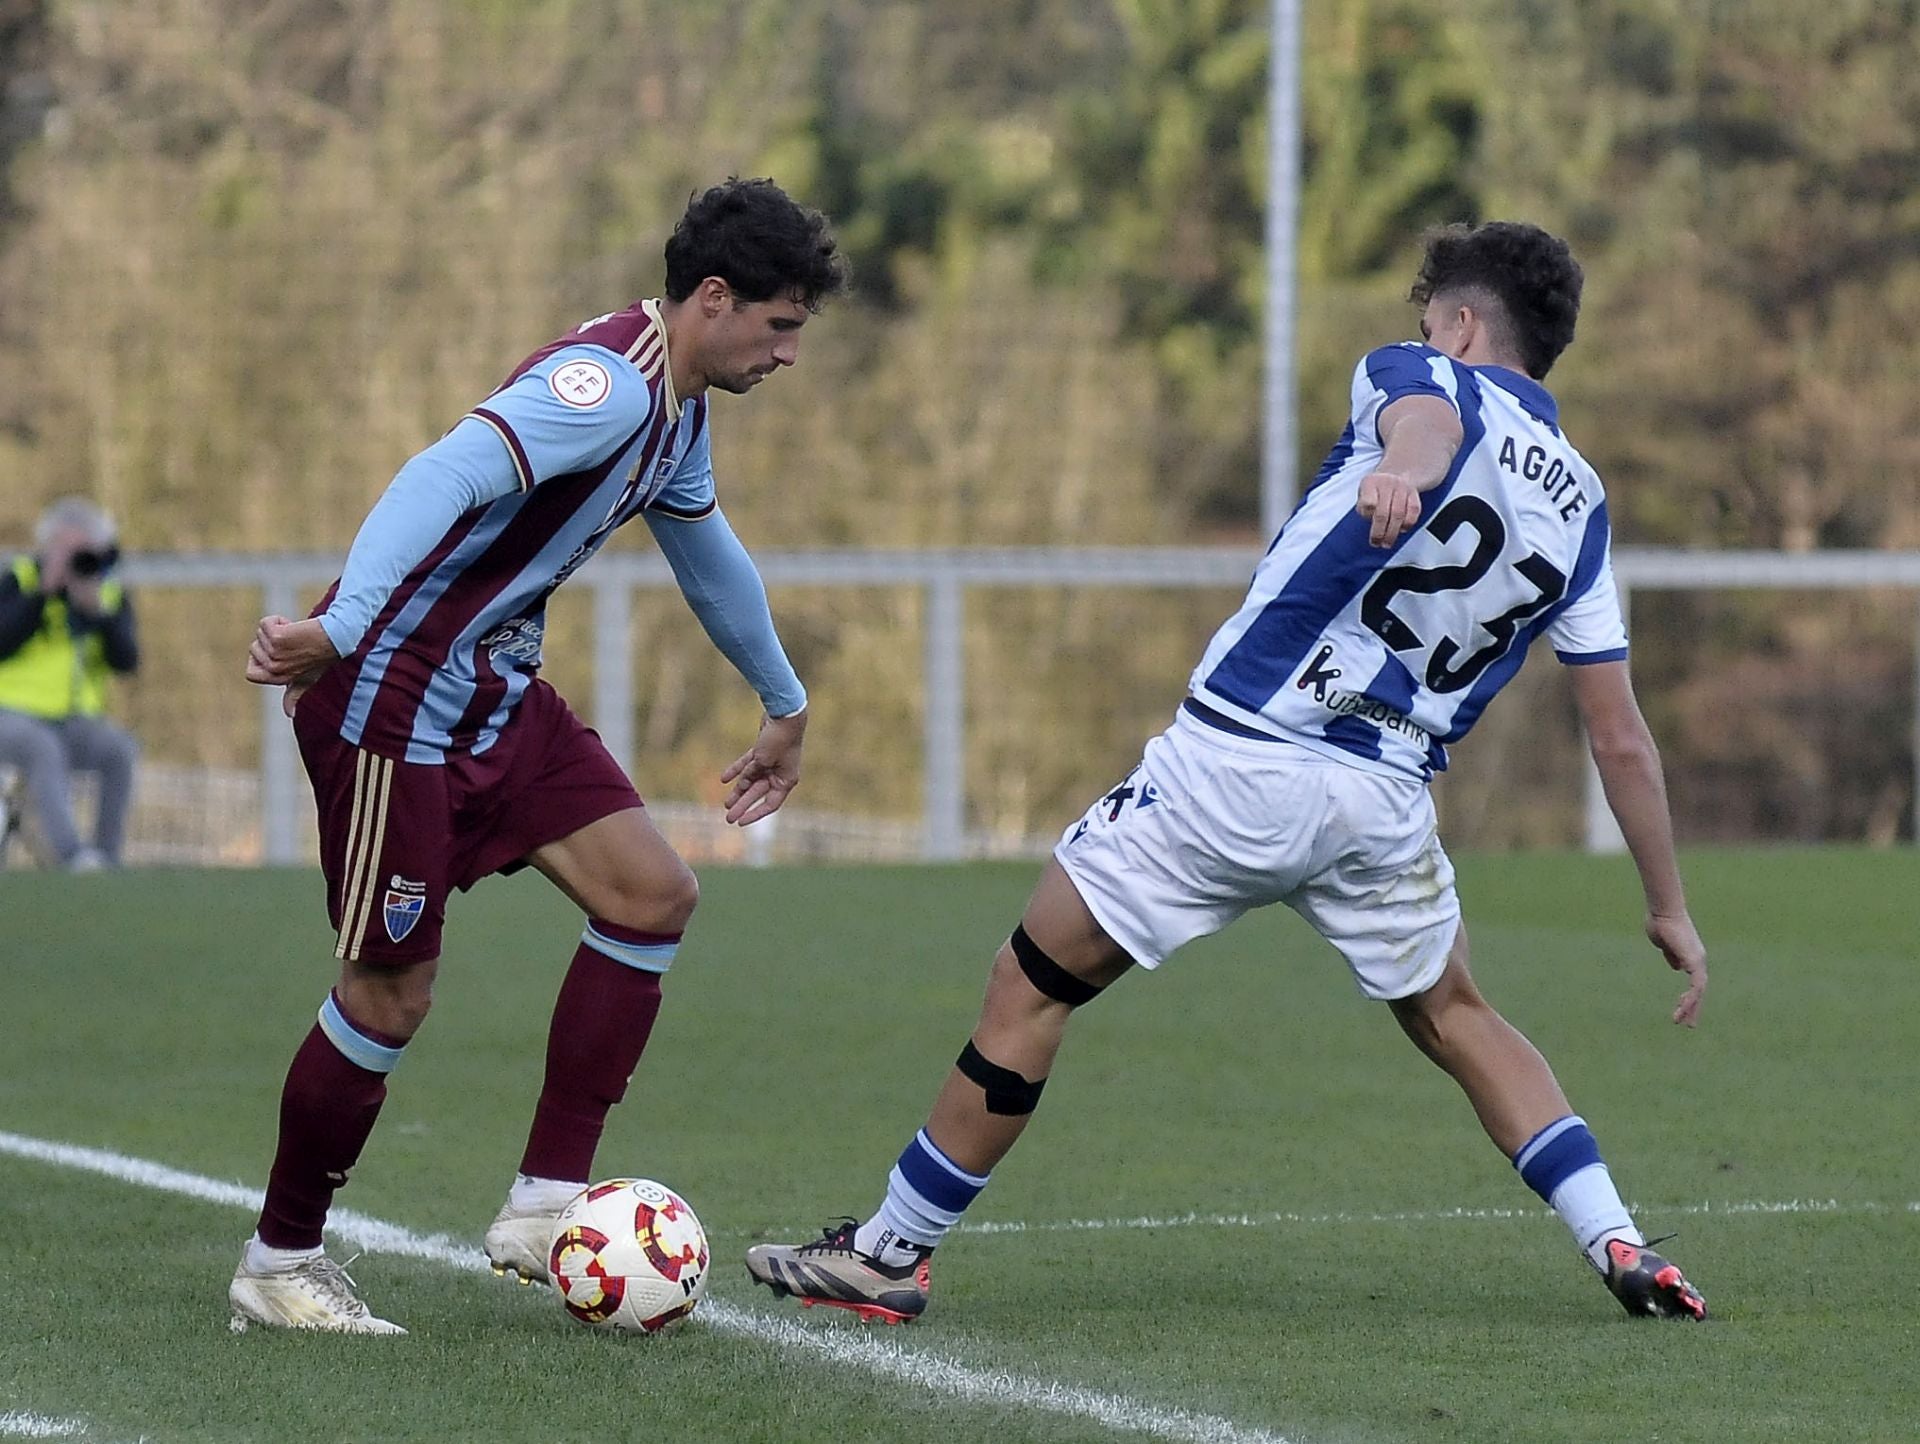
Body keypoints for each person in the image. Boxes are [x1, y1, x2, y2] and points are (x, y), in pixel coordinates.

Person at [747, 221, 1710, 1325]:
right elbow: (1621, 734)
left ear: (1459, 321)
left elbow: (1429, 420)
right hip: (1381, 804)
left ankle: (889, 1253)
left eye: (1428, 320)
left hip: (1240, 761)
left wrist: (1405, 464)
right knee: (1454, 1010)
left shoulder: (1423, 374)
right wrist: (1669, 906)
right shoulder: (1583, 503)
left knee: (1031, 985)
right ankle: (1621, 1240)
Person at [231, 178, 849, 1334]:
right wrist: (346, 623)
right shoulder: (606, 386)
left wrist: (784, 699)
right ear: (714, 299)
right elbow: (446, 473)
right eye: (780, 326)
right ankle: (279, 1261)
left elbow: (707, 551)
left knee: (653, 895)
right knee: (389, 991)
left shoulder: (680, 408)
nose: (789, 354)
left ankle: (544, 1203)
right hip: (390, 694)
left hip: (491, 692)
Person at [0, 497, 140, 870]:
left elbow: (126, 660)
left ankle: (106, 859)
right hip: (12, 717)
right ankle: (72, 858)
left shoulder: (106, 592)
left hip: (74, 721)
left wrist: (96, 613)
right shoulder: (20, 580)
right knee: (41, 748)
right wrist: (43, 593)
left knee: (119, 750)